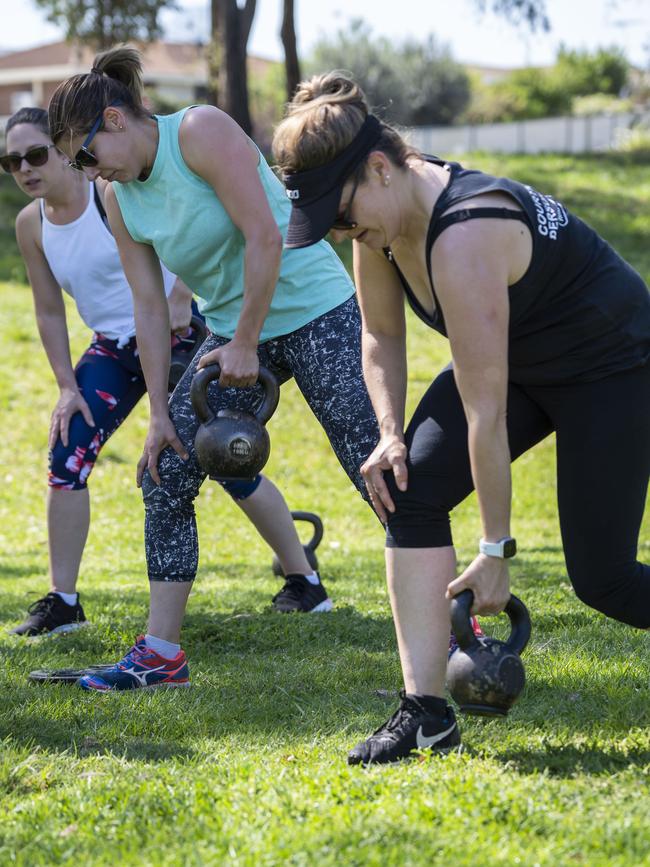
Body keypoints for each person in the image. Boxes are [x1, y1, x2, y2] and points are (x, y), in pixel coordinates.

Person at [272, 72, 650, 765]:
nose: (337, 228)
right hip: (524, 361)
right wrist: (389, 431)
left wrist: (497, 550)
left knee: (606, 580)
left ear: (380, 168)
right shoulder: (377, 225)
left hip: (614, 364)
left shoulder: (468, 231)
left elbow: (485, 409)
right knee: (406, 489)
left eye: (339, 211)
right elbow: (380, 336)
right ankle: (426, 713)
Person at [45, 47, 386, 690]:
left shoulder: (199, 131)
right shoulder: (118, 199)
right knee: (164, 472)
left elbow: (265, 233)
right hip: (231, 335)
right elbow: (149, 307)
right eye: (77, 165)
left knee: (373, 462)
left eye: (85, 155)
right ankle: (161, 654)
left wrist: (248, 341)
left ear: (115, 121)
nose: (88, 173)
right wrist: (155, 414)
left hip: (313, 309)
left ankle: (460, 621)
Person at [3, 106, 329, 640]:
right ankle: (63, 601)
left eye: (36, 154)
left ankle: (304, 579)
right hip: (114, 347)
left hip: (180, 335)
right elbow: (46, 310)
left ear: (66, 152)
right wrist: (66, 385)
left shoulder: (108, 195)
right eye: (10, 161)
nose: (25, 168)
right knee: (67, 451)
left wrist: (182, 297)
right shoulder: (31, 225)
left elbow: (181, 247)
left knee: (221, 456)